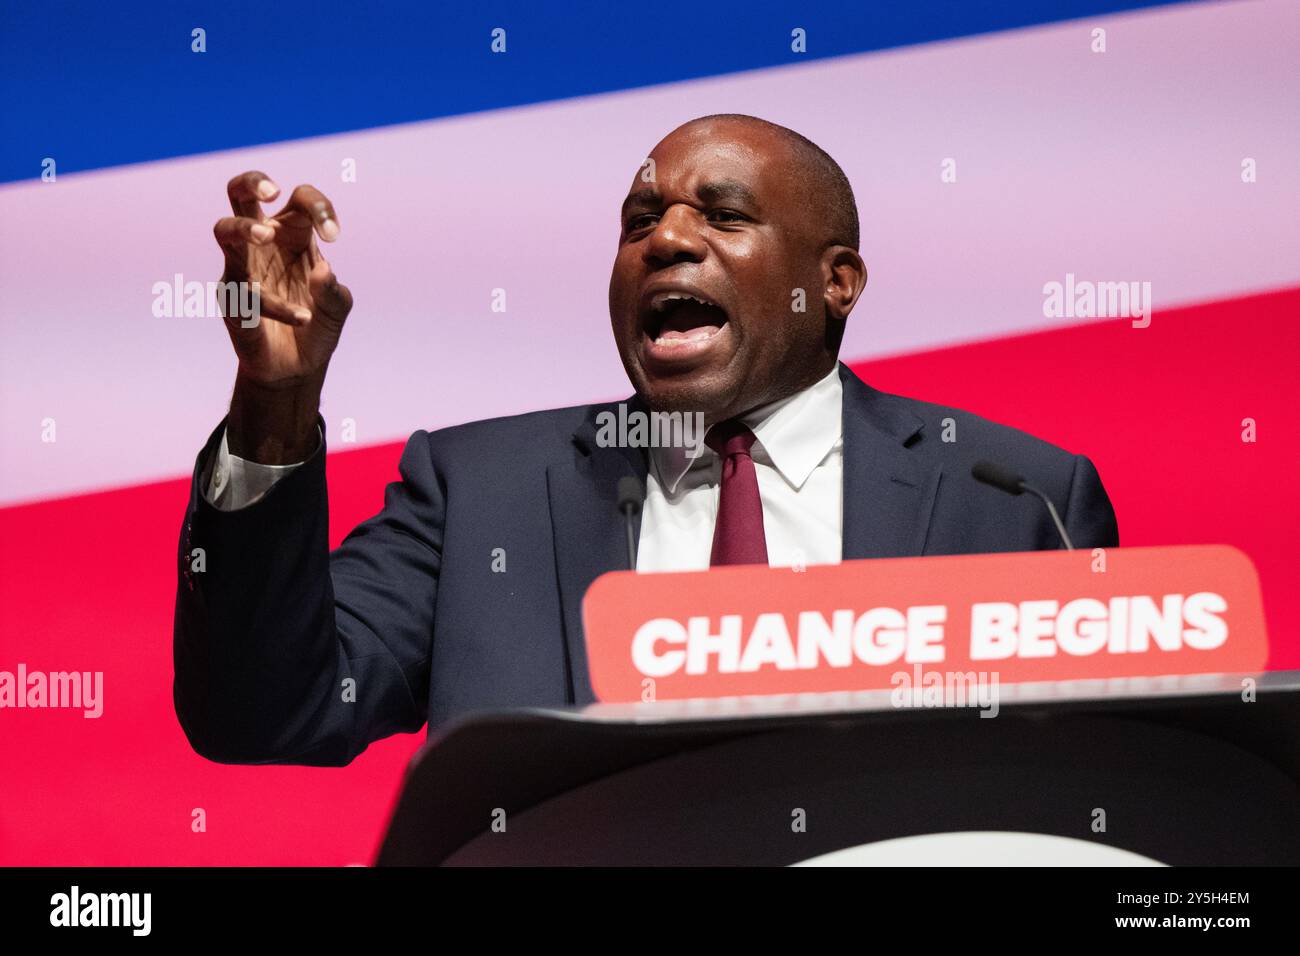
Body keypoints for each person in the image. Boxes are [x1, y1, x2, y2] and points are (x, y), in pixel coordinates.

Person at [174, 114, 1118, 766]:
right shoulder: (480, 489)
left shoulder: (1015, 501)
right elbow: (265, 711)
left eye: (723, 214)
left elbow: (1097, 797)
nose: (664, 240)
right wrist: (276, 399)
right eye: (640, 221)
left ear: (836, 282)